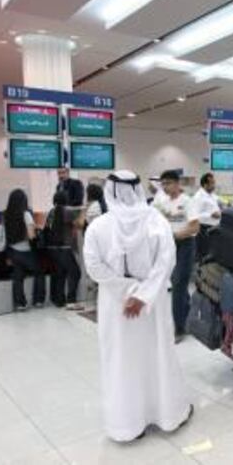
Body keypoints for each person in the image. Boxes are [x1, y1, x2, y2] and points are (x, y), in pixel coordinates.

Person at [83, 170, 193, 442]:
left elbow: (94, 267)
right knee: (158, 354)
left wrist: (126, 291)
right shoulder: (156, 221)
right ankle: (167, 415)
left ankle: (127, 426)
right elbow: (167, 262)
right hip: (152, 302)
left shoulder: (98, 226)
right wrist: (142, 294)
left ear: (110, 191)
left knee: (121, 358)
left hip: (116, 303)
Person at [153, 170, 200, 342]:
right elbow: (153, 218)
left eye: (168, 183)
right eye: (163, 184)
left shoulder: (187, 201)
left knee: (179, 284)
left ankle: (179, 328)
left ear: (177, 183)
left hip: (185, 245)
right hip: (168, 245)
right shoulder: (160, 201)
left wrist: (175, 235)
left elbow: (195, 227)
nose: (165, 187)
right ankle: (188, 318)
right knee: (176, 283)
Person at [0, 189, 45, 310]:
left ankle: (20, 304)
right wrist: (37, 229)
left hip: (12, 251)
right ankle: (38, 300)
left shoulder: (5, 214)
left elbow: (2, 232)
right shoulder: (25, 214)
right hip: (26, 251)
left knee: (18, 277)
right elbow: (31, 235)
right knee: (39, 272)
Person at [46, 191, 85, 310]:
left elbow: (48, 227)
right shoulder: (67, 211)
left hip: (52, 248)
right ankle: (71, 301)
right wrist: (83, 212)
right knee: (75, 272)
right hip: (64, 248)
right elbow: (79, 225)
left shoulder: (51, 212)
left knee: (60, 273)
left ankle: (59, 301)